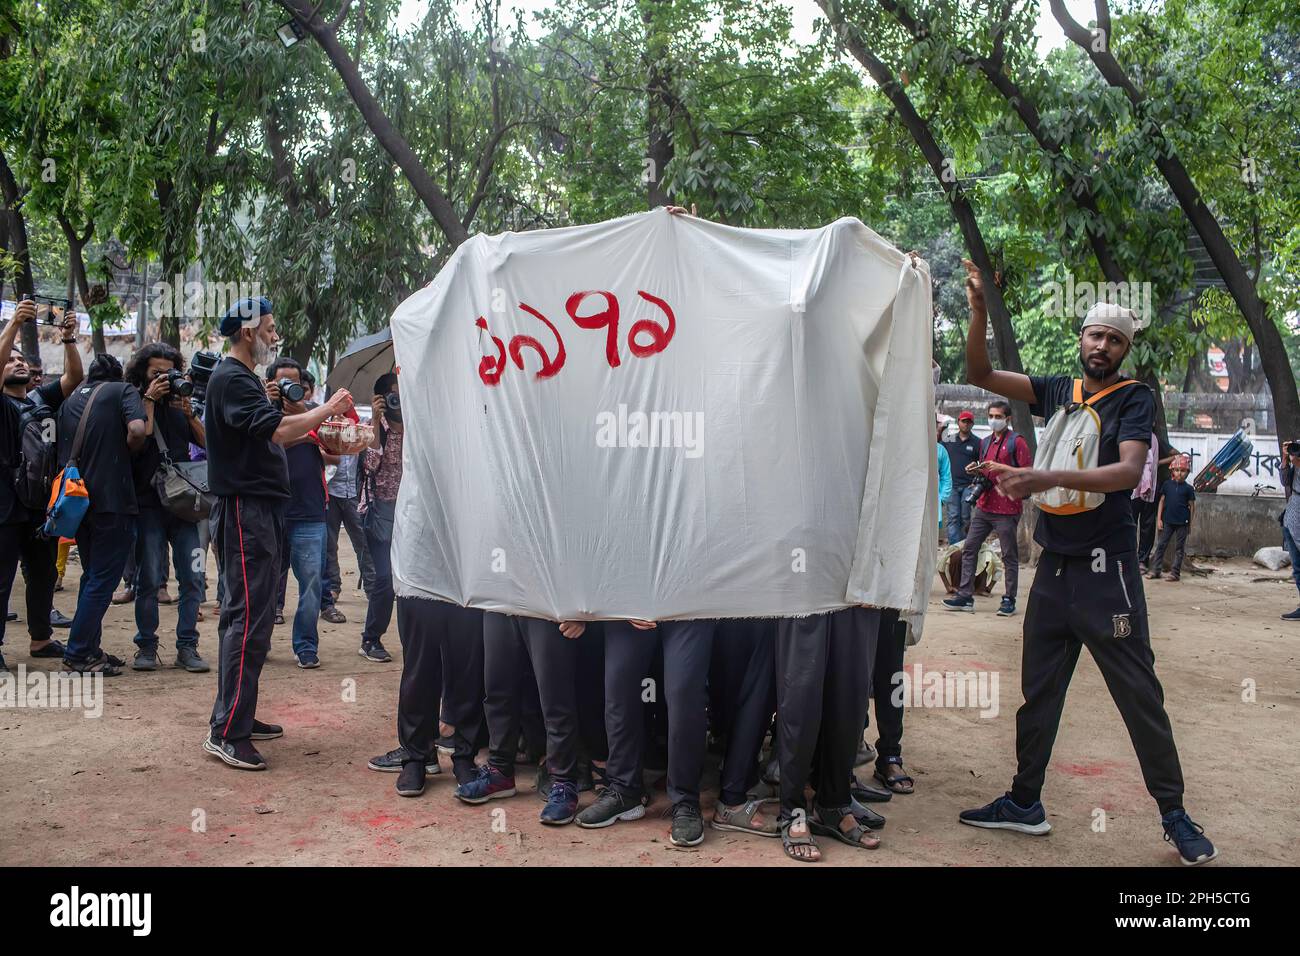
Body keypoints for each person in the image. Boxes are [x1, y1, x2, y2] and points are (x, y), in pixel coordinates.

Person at [955, 262, 1217, 866]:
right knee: (1038, 692)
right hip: (1056, 569)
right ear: (1082, 338)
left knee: (1137, 693)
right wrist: (976, 309)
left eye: (1115, 339)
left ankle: (1173, 814)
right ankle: (1025, 803)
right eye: (1095, 335)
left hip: (1109, 572)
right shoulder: (1058, 390)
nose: (1102, 345)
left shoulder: (1135, 399)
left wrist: (1041, 476)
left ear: (1125, 350)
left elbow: (1127, 471)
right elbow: (979, 372)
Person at [203, 297, 353, 771]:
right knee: (246, 618)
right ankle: (228, 731)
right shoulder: (231, 378)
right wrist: (325, 407)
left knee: (257, 617)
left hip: (262, 510)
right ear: (248, 333)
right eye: (268, 329)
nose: (274, 336)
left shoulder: (244, 381)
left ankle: (238, 715)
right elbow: (278, 434)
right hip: (246, 510)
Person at [576, 618, 716, 846]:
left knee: (685, 697)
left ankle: (686, 800)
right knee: (618, 692)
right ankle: (624, 789)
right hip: (630, 599)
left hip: (687, 601)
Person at [0, 299, 83, 671]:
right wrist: (16, 324)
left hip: (40, 505)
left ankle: (41, 638)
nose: (18, 362)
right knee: (1, 579)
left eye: (22, 360)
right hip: (5, 506)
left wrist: (68, 340)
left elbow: (73, 380)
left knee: (44, 574)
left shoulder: (36, 401)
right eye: (10, 360)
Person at [57, 354, 148, 674]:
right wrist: (129, 450)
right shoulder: (123, 391)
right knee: (102, 581)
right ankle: (78, 654)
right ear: (118, 374)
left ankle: (89, 647)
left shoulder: (70, 401)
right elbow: (138, 430)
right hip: (113, 501)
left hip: (79, 503)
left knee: (91, 575)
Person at [454, 613, 588, 825]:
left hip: (547, 604)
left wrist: (579, 611)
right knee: (498, 691)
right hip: (501, 599)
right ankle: (499, 772)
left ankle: (564, 782)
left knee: (555, 699)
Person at [774, 607, 883, 861]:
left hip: (859, 585)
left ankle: (834, 803)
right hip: (804, 583)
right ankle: (793, 811)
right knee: (801, 697)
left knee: (851, 694)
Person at [124, 343, 208, 673]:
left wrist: (189, 413)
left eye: (169, 373)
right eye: (156, 373)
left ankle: (187, 646)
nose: (163, 379)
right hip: (148, 505)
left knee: (193, 579)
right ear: (143, 374)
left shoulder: (182, 404)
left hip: (184, 507)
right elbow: (136, 440)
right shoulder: (133, 401)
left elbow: (206, 444)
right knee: (148, 581)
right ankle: (146, 646)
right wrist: (148, 399)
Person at [266, 357, 336, 668]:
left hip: (309, 511)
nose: (288, 388)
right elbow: (269, 443)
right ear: (270, 384)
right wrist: (304, 432)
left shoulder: (315, 414)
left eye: (294, 383)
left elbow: (336, 451)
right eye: (281, 382)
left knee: (310, 584)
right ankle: (258, 642)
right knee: (264, 583)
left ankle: (306, 646)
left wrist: (307, 420)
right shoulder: (261, 413)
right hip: (269, 509)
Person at [942, 400, 1030, 616]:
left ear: (1007, 419)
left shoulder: (1017, 442)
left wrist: (1002, 467)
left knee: (1009, 555)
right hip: (984, 505)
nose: (993, 420)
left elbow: (1028, 472)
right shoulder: (985, 442)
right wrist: (975, 469)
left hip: (1007, 507)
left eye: (998, 416)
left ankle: (1009, 599)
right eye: (991, 415)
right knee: (970, 548)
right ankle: (964, 596)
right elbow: (985, 471)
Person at [357, 373, 402, 663]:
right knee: (385, 579)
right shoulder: (375, 428)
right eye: (393, 394)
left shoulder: (417, 424)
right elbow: (370, 467)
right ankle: (370, 639)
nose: (399, 399)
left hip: (409, 513)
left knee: (408, 582)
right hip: (378, 514)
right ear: (382, 398)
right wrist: (375, 421)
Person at [321, 448, 374, 623]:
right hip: (331, 492)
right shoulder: (327, 430)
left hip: (353, 494)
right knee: (329, 544)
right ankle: (333, 587)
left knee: (363, 543)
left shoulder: (359, 428)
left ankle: (371, 586)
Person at [1147, 456, 1195, 582]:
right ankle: (1155, 570)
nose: (1180, 473)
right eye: (1177, 470)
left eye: (1183, 470)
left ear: (1187, 473)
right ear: (1172, 471)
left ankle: (1175, 573)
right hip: (1167, 521)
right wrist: (1159, 519)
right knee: (1161, 545)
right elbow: (1161, 501)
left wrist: (1190, 523)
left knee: (1179, 549)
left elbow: (1192, 506)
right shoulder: (1167, 485)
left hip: (1182, 523)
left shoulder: (1189, 489)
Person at [942, 410, 981, 542]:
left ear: (972, 424)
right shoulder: (949, 439)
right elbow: (939, 456)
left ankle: (964, 547)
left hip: (968, 486)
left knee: (965, 517)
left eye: (969, 422)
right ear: (958, 422)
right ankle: (954, 549)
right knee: (953, 516)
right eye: (963, 421)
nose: (966, 424)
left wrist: (976, 481)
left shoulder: (977, 442)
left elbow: (982, 465)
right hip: (951, 485)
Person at [1277, 440, 1300, 621]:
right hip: (1291, 518)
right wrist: (1285, 460)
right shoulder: (1294, 464)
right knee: (1297, 568)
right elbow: (1285, 481)